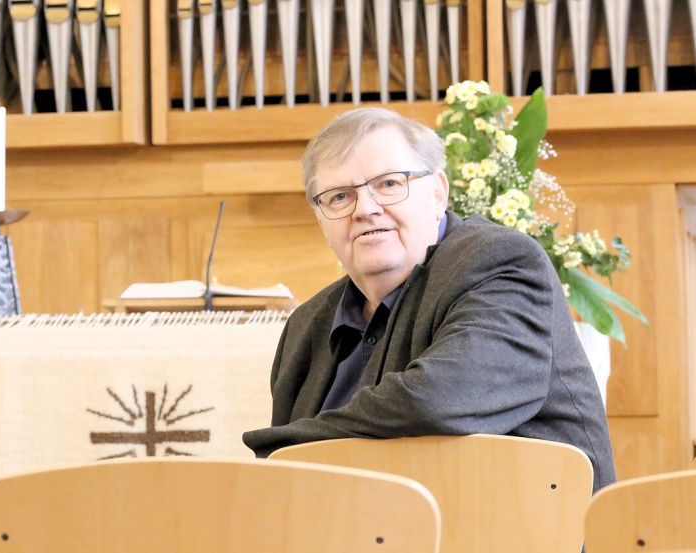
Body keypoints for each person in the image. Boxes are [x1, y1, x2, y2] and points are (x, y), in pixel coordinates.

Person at [241, 107, 615, 492]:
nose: (365, 209)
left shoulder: (500, 263)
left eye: (389, 184)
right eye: (339, 197)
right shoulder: (305, 326)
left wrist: (290, 446)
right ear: (321, 219)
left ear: (438, 193)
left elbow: (438, 400)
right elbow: (288, 488)